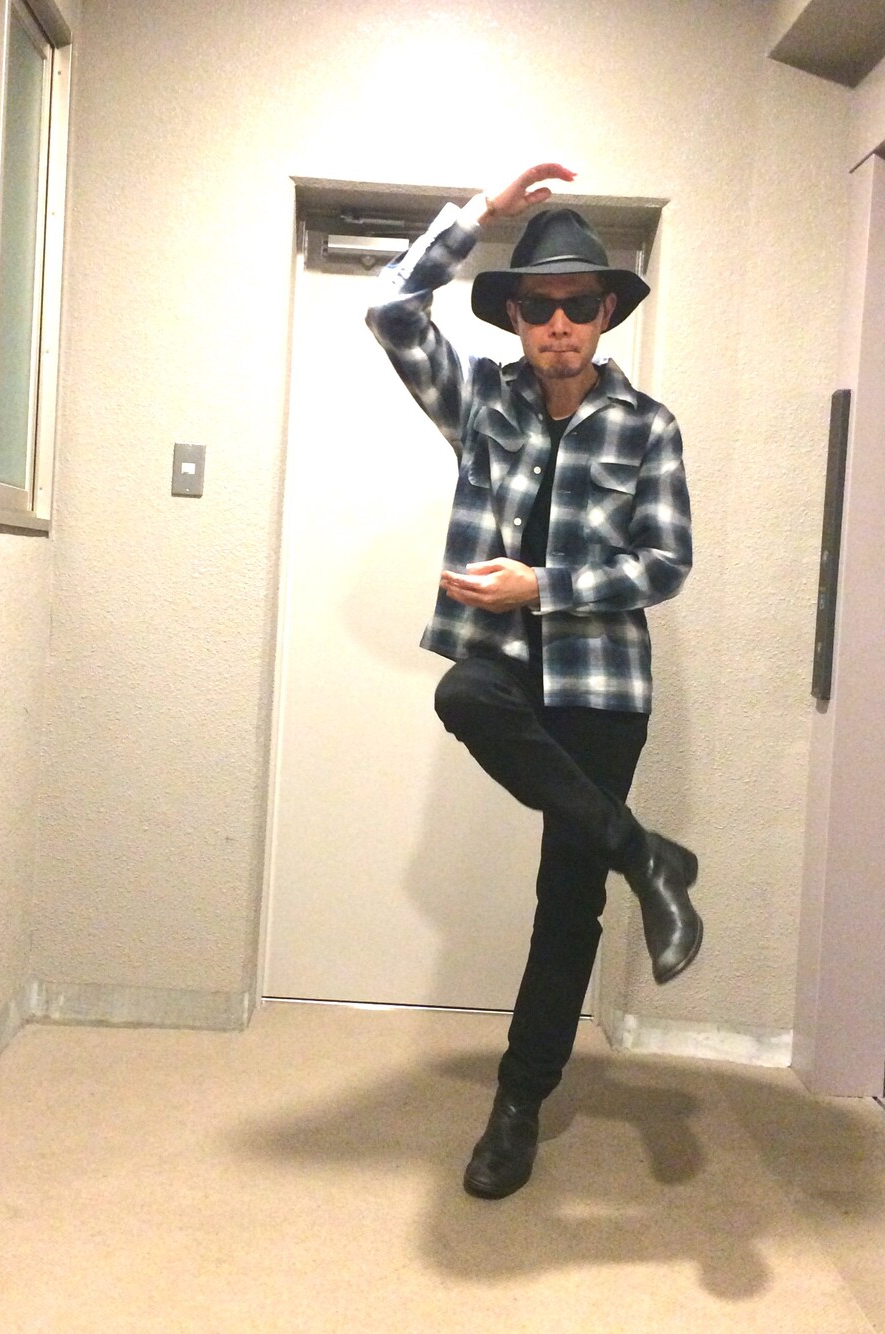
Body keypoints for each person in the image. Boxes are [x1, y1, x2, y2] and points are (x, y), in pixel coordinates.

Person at [366, 164, 702, 1200]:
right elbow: (390, 310)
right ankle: (645, 852)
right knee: (462, 693)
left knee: (567, 902)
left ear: (606, 314)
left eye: (579, 304)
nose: (560, 323)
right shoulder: (481, 401)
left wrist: (542, 585)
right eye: (539, 305)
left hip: (603, 687)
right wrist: (477, 217)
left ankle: (517, 1103)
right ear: (514, 316)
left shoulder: (648, 426)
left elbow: (666, 564)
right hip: (507, 669)